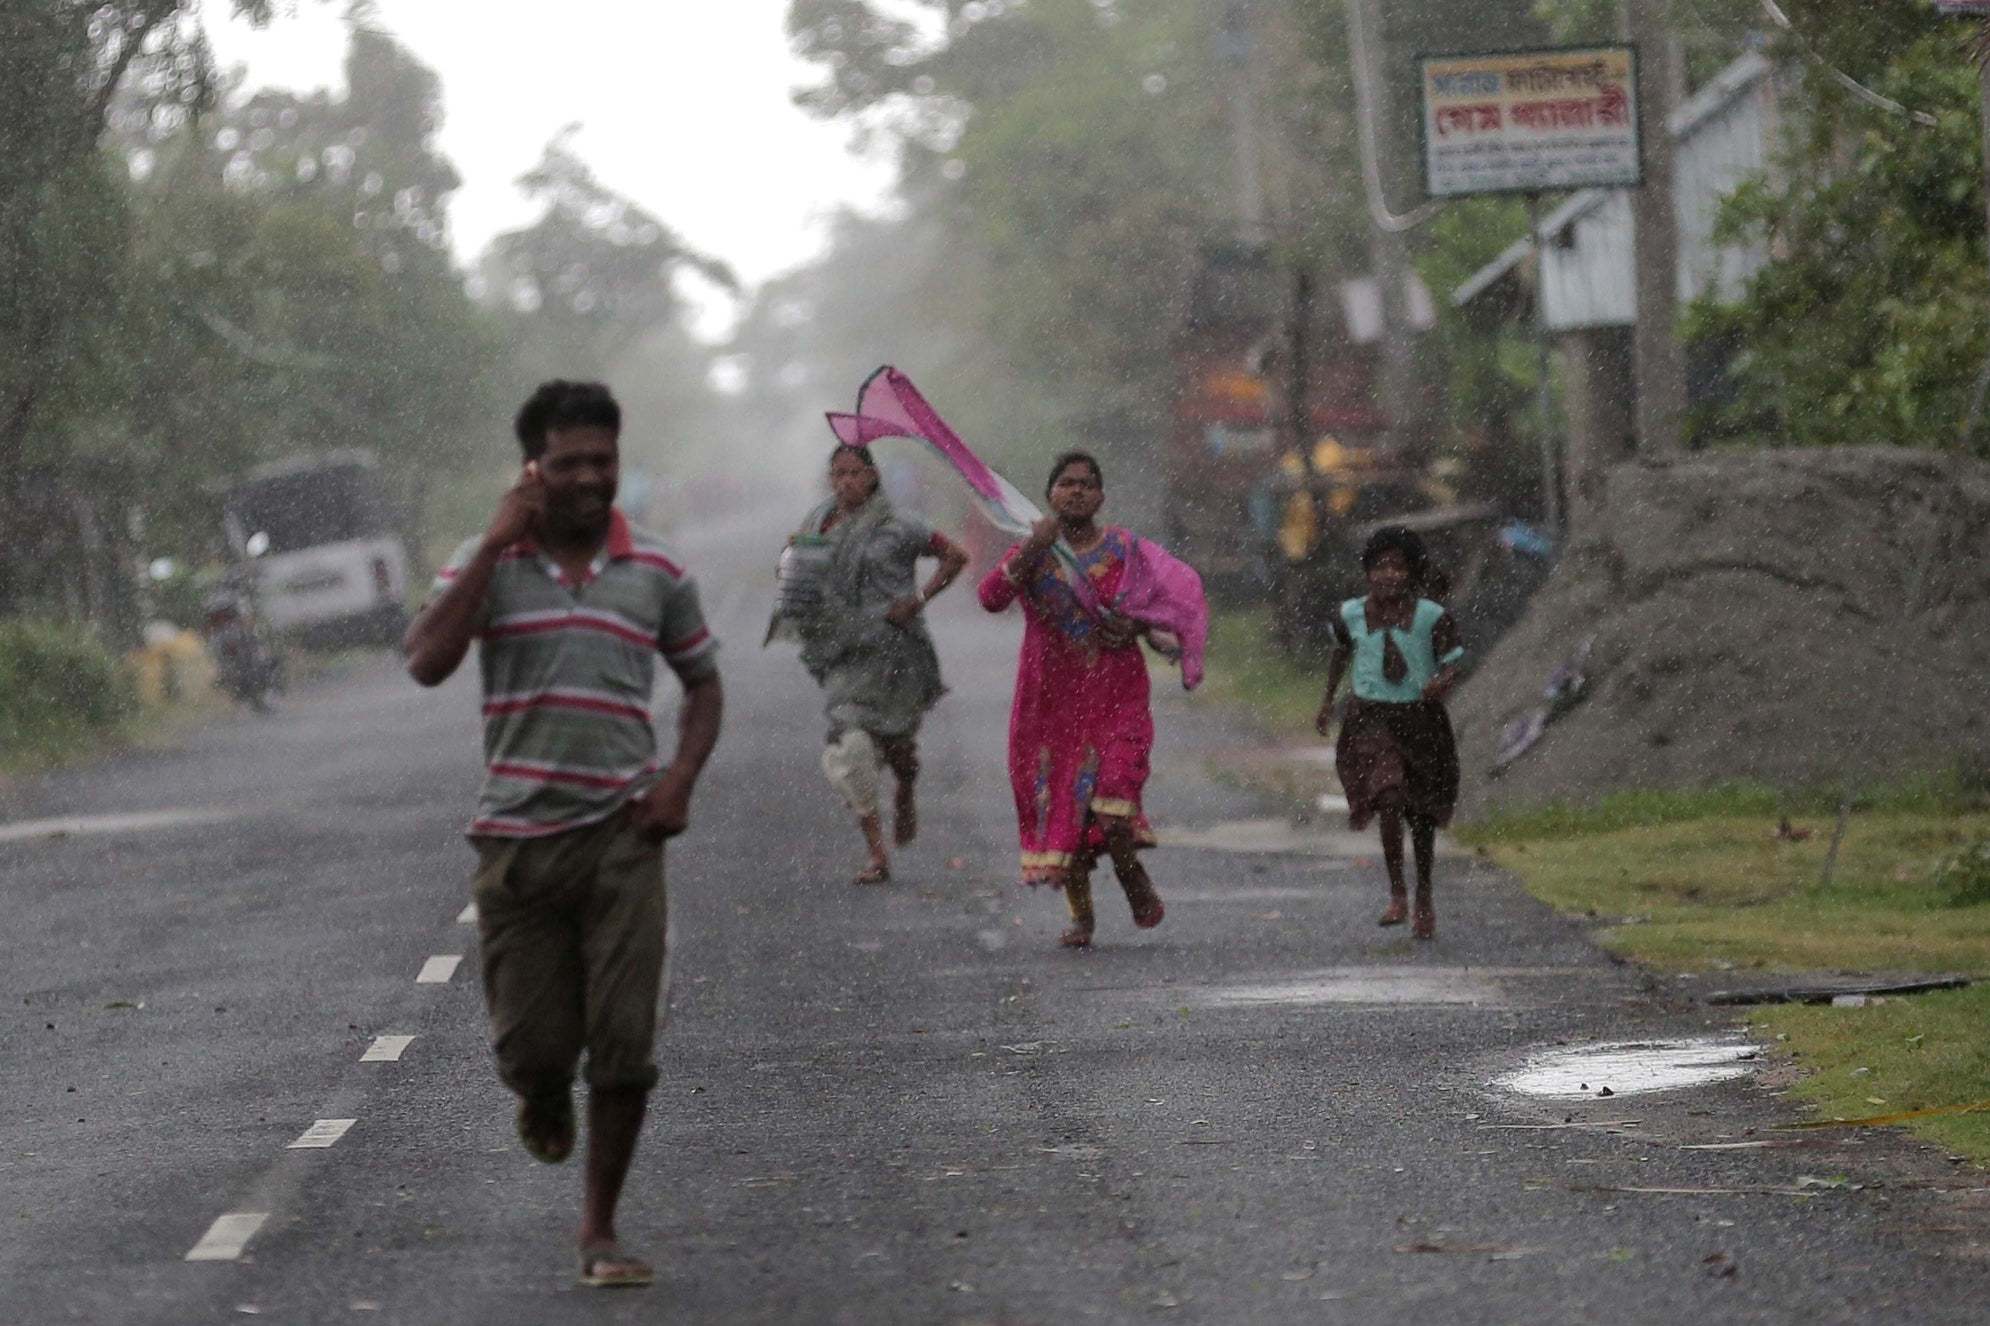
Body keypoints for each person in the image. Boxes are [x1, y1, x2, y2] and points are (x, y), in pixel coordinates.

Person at [403, 380, 723, 1289]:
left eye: (604, 462)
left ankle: (599, 1230)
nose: (590, 478)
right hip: (515, 845)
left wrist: (678, 783)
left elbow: (703, 685)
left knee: (625, 1044)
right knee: (536, 1049)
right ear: (534, 467)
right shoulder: (489, 563)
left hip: (624, 837)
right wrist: (495, 544)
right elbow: (427, 661)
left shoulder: (656, 571)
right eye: (570, 461)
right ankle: (541, 1094)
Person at [977, 451, 1170, 948]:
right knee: (1069, 804)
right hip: (1053, 701)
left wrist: (1144, 629)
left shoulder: (1125, 549)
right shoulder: (1033, 551)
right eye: (1066, 483)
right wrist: (1030, 551)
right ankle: (1081, 915)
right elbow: (991, 597)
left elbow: (1155, 606)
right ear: (1049, 495)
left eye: (1086, 484)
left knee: (1111, 793)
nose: (1076, 491)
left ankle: (1132, 877)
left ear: (1101, 496)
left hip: (1116, 691)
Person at [773, 446, 969, 884]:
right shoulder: (819, 525)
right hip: (845, 657)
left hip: (898, 655)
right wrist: (795, 562)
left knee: (898, 747)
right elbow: (795, 582)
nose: (845, 482)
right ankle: (877, 852)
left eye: (854, 473)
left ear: (873, 476)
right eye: (837, 474)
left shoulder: (900, 525)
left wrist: (917, 599)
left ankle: (905, 788)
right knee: (852, 747)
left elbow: (955, 556)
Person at [1314, 525, 1463, 941]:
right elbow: (1341, 653)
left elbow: (1451, 660)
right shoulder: (1351, 615)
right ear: (1367, 572)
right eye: (1380, 566)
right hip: (1369, 718)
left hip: (1420, 721)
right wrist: (1327, 702)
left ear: (1412, 573)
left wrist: (1443, 680)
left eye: (1398, 567)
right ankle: (1397, 892)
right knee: (1389, 795)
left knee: (1422, 814)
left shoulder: (1432, 616)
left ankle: (1425, 895)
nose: (1388, 575)